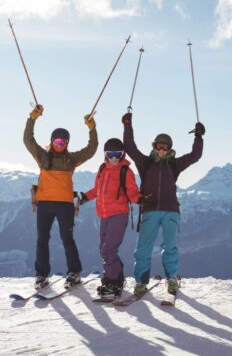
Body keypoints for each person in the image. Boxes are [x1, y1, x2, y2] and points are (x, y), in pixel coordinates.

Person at [121, 112, 204, 295]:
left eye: (165, 148)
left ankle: (172, 279)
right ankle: (141, 282)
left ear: (169, 149)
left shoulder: (174, 164)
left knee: (170, 247)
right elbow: (130, 146)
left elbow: (195, 155)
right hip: (150, 210)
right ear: (154, 147)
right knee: (143, 248)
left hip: (171, 211)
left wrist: (198, 136)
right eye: (159, 146)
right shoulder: (145, 163)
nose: (161, 150)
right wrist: (127, 125)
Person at [23, 104, 98, 289]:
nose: (59, 145)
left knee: (67, 238)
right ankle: (41, 275)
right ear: (51, 141)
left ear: (67, 143)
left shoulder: (71, 159)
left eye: (63, 142)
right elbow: (28, 140)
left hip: (64, 204)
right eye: (56, 142)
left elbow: (92, 149)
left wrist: (92, 129)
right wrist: (32, 118)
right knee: (42, 239)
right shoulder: (42, 156)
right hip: (45, 203)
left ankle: (74, 272)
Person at [79, 138, 143, 299]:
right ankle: (117, 277)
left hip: (119, 214)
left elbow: (132, 192)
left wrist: (142, 200)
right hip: (104, 214)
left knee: (109, 249)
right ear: (105, 155)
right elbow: (98, 189)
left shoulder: (125, 171)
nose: (114, 157)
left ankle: (112, 281)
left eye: (117, 154)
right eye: (110, 154)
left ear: (122, 154)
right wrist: (85, 197)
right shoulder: (102, 169)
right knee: (103, 248)